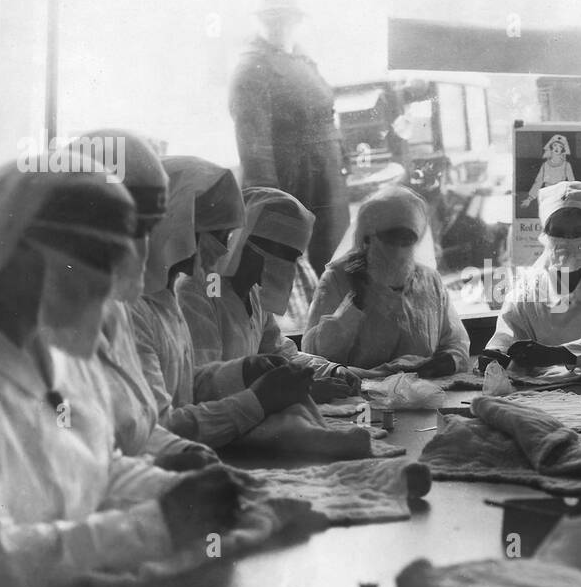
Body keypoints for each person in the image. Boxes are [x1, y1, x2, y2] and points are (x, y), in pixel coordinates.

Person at [0, 158, 243, 587]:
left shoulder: (60, 356)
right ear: (15, 255)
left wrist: (172, 492)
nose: (109, 281)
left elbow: (93, 468)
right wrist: (156, 524)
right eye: (94, 261)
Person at [62, 130, 219, 469]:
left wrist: (179, 452)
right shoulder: (27, 329)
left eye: (150, 229)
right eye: (133, 227)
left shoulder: (110, 308)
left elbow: (136, 426)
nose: (143, 248)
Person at [132, 157, 315, 448]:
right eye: (218, 235)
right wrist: (257, 399)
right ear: (176, 227)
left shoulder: (164, 300)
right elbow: (156, 429)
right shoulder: (147, 306)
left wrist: (243, 371)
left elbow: (183, 388)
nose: (224, 247)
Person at [178, 185, 360, 399]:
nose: (287, 265)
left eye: (293, 256)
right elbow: (206, 384)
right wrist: (298, 390)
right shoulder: (202, 291)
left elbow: (280, 354)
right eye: (281, 252)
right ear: (246, 242)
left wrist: (331, 370)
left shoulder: (253, 294)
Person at [229, 0, 349, 274]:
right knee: (281, 263)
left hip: (325, 173)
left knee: (336, 256)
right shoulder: (250, 68)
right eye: (272, 18)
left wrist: (341, 159)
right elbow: (254, 146)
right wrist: (271, 199)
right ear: (259, 21)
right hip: (290, 177)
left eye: (286, 17)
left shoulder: (303, 59)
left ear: (297, 20)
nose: (280, 25)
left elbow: (326, 113)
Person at [303, 185, 470, 376]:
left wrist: (449, 361)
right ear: (368, 238)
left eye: (407, 239)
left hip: (418, 393)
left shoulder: (429, 282)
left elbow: (456, 342)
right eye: (390, 238)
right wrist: (355, 304)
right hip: (355, 395)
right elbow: (314, 355)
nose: (398, 249)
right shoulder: (338, 279)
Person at [484, 180, 581, 377]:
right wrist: (497, 351)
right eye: (558, 232)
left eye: (578, 233)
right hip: (537, 384)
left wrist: (559, 354)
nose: (568, 240)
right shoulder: (532, 282)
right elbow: (510, 327)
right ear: (546, 234)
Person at [520, 134, 575, 210]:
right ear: (551, 147)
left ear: (563, 150)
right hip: (547, 195)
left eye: (560, 146)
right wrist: (529, 199)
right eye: (555, 145)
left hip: (560, 196)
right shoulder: (545, 165)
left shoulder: (566, 165)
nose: (557, 148)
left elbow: (572, 183)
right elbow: (538, 182)